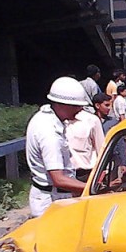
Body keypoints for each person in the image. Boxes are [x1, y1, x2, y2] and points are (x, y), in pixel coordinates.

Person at [26, 77, 88, 217]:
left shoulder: (44, 118)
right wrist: (92, 188)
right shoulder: (49, 134)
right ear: (62, 104)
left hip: (50, 195)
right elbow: (58, 179)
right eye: (76, 106)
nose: (80, 109)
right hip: (52, 200)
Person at [66, 93, 108, 182]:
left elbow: (101, 148)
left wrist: (103, 172)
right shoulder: (58, 121)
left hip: (85, 174)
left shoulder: (91, 120)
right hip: (63, 174)